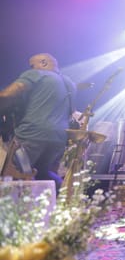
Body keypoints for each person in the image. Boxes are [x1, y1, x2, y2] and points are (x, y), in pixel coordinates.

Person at [0, 53, 76, 189]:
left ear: (43, 63)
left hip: (32, 135)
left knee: (12, 176)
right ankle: (59, 199)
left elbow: (7, 95)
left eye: (32, 65)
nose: (31, 68)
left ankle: (12, 209)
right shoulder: (70, 83)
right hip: (58, 139)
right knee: (43, 175)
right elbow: (70, 112)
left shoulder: (38, 74)